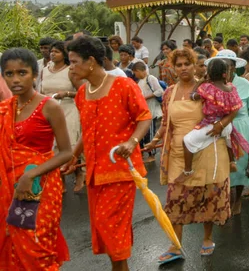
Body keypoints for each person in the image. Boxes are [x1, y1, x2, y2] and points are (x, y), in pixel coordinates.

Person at [64, 36, 151, 270]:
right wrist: (73, 157)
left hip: (120, 170)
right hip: (94, 172)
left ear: (91, 61)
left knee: (110, 224)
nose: (71, 67)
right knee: (104, 228)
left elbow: (144, 118)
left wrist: (132, 143)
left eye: (74, 62)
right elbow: (87, 130)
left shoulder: (124, 85)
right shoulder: (83, 93)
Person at [145, 48, 230, 261]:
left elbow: (227, 112)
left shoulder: (208, 89)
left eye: (187, 64)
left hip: (208, 148)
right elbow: (166, 123)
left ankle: (208, 238)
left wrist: (219, 126)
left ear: (194, 66)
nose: (183, 68)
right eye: (179, 65)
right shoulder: (169, 93)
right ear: (173, 68)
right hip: (178, 153)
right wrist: (153, 141)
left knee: (208, 195)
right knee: (175, 199)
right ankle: (175, 246)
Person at [0, 48, 72, 270]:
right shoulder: (4, 109)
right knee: (12, 241)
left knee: (37, 245)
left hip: (39, 187)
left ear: (35, 74)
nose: (15, 79)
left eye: (22, 73)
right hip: (8, 187)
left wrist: (30, 175)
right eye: (9, 74)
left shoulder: (49, 106)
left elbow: (66, 152)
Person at [178, 59, 249, 184]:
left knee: (187, 141)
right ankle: (232, 161)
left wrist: (201, 82)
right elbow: (236, 107)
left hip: (211, 125)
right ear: (225, 74)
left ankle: (187, 170)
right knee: (228, 138)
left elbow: (193, 96)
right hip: (227, 124)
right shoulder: (231, 88)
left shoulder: (207, 88)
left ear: (209, 73)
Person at [209, 50, 249, 215]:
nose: (226, 68)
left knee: (239, 166)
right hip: (218, 129)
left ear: (234, 67)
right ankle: (223, 199)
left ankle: (237, 200)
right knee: (220, 164)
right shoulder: (210, 85)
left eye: (229, 65)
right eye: (222, 65)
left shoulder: (246, 85)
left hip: (241, 128)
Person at [39, 41, 84, 192]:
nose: (52, 54)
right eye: (51, 51)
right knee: (53, 148)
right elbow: (40, 91)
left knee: (69, 146)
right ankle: (60, 180)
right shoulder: (44, 70)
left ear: (63, 54)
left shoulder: (70, 71)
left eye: (56, 52)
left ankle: (79, 174)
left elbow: (82, 92)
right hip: (49, 112)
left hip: (68, 110)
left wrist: (67, 94)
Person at [132, 61, 164, 163]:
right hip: (143, 111)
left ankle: (152, 154)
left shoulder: (151, 78)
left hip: (151, 110)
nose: (135, 75)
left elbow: (159, 91)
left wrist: (145, 98)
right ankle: (142, 153)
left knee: (150, 134)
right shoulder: (140, 81)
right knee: (142, 134)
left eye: (135, 72)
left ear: (139, 71)